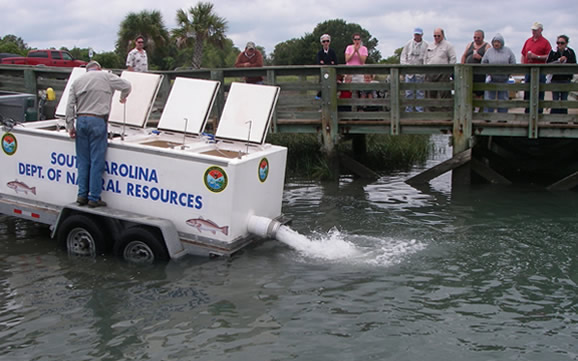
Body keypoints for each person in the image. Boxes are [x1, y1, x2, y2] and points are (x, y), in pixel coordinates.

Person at [66, 61, 131, 208]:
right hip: (98, 121)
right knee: (97, 161)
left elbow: (70, 105)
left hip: (81, 120)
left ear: (87, 71)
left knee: (83, 161)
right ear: (99, 68)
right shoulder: (106, 76)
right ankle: (94, 198)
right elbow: (127, 85)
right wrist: (122, 97)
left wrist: (70, 126)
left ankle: (81, 195)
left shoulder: (77, 81)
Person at [481, 34, 516, 113]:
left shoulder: (508, 51)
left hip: (504, 78)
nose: (496, 44)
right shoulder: (489, 51)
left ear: (502, 43)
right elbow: (483, 62)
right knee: (489, 98)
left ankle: (502, 117)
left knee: (503, 98)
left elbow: (513, 62)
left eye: (498, 42)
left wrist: (508, 73)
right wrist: (488, 72)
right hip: (491, 78)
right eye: (495, 42)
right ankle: (488, 116)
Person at [521, 22, 552, 113]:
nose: (533, 32)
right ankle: (527, 112)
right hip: (528, 71)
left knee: (539, 92)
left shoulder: (545, 42)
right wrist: (523, 65)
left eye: (535, 30)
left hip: (540, 72)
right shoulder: (528, 41)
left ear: (541, 30)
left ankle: (538, 112)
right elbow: (523, 54)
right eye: (533, 30)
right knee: (527, 91)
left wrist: (536, 56)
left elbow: (549, 56)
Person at [425, 28, 457, 111]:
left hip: (443, 73)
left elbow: (453, 58)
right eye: (435, 36)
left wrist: (449, 71)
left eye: (438, 36)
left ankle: (446, 113)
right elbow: (425, 58)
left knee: (444, 93)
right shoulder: (430, 46)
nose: (436, 37)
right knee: (430, 94)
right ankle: (431, 114)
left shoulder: (448, 45)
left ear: (442, 35)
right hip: (431, 72)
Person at [547, 35, 577, 114]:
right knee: (555, 99)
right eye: (558, 43)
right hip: (555, 78)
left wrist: (566, 61)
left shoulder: (570, 52)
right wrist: (558, 60)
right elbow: (548, 63)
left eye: (562, 43)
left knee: (564, 99)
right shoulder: (553, 52)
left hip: (566, 79)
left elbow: (574, 64)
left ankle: (563, 119)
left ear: (566, 43)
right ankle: (554, 118)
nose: (559, 45)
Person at [400, 27, 428, 112]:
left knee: (420, 92)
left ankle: (419, 110)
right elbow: (403, 57)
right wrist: (406, 68)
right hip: (409, 72)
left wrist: (425, 69)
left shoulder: (426, 45)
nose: (417, 36)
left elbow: (427, 58)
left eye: (418, 34)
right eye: (416, 34)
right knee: (409, 92)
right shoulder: (408, 44)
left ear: (422, 35)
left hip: (420, 73)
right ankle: (409, 110)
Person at [461, 30, 491, 100]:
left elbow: (489, 60)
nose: (476, 39)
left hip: (480, 74)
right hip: (468, 72)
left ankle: (478, 109)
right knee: (468, 90)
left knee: (479, 92)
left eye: (478, 38)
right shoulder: (470, 45)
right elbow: (464, 56)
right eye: (475, 37)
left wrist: (480, 58)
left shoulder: (487, 46)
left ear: (483, 37)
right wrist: (462, 66)